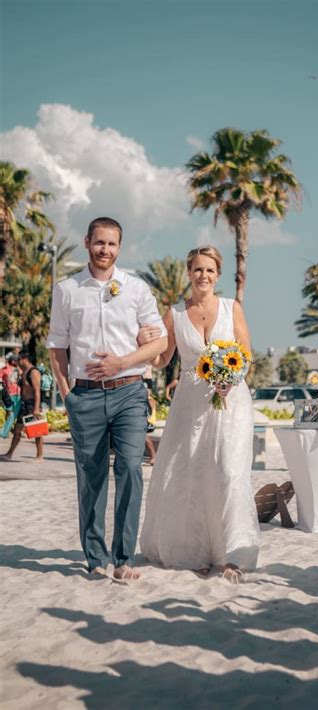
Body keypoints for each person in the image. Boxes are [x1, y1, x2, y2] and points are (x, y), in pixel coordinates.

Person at [46, 216, 168, 580]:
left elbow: (160, 343)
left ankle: (124, 558)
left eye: (112, 244)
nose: (105, 250)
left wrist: (123, 362)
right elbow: (57, 345)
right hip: (84, 396)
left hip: (130, 391)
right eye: (99, 243)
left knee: (130, 468)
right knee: (92, 478)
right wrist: (68, 394)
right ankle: (96, 557)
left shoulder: (136, 288)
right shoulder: (67, 289)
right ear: (87, 242)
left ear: (120, 246)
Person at [140, 245, 260, 583]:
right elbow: (163, 359)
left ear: (217, 275)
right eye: (197, 270)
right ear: (189, 273)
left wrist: (232, 378)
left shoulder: (230, 307)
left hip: (231, 401)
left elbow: (246, 354)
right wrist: (146, 345)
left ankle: (234, 552)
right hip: (190, 403)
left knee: (229, 469)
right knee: (191, 471)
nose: (203, 276)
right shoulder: (175, 314)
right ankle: (197, 552)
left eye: (209, 270)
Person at [0, 350, 44, 461]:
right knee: (17, 431)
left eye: (19, 359)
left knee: (36, 431)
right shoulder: (24, 372)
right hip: (24, 405)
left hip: (31, 405)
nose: (17, 362)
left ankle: (40, 456)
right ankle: (9, 454)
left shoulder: (34, 372)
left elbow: (37, 391)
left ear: (25, 359)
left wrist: (36, 408)